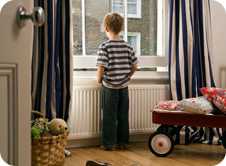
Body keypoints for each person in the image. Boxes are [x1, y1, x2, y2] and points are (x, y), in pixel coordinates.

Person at [96, 13, 138, 150]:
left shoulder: (105, 46)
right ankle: (123, 142)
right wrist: (128, 77)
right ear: (121, 28)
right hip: (124, 87)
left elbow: (101, 67)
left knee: (109, 116)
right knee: (123, 115)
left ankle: (109, 144)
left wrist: (99, 79)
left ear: (106, 28)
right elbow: (135, 66)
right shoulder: (127, 46)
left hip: (109, 87)